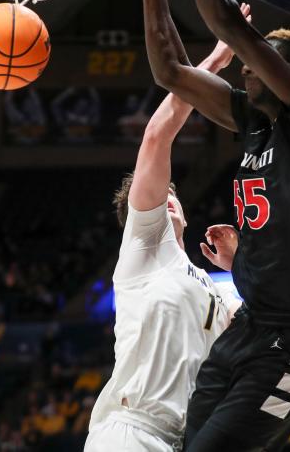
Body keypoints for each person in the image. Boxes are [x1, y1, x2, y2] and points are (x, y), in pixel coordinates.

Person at [134, 0, 290, 451]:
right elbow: (170, 72)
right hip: (247, 329)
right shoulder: (256, 123)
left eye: (262, 61)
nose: (247, 72)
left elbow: (229, 25)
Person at [86, 40, 241, 451]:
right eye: (159, 195)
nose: (167, 196)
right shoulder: (146, 250)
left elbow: (267, 317)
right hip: (130, 432)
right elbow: (156, 137)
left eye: (174, 194)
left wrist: (241, 266)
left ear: (186, 213)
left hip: (182, 441)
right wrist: (210, 67)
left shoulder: (217, 290)